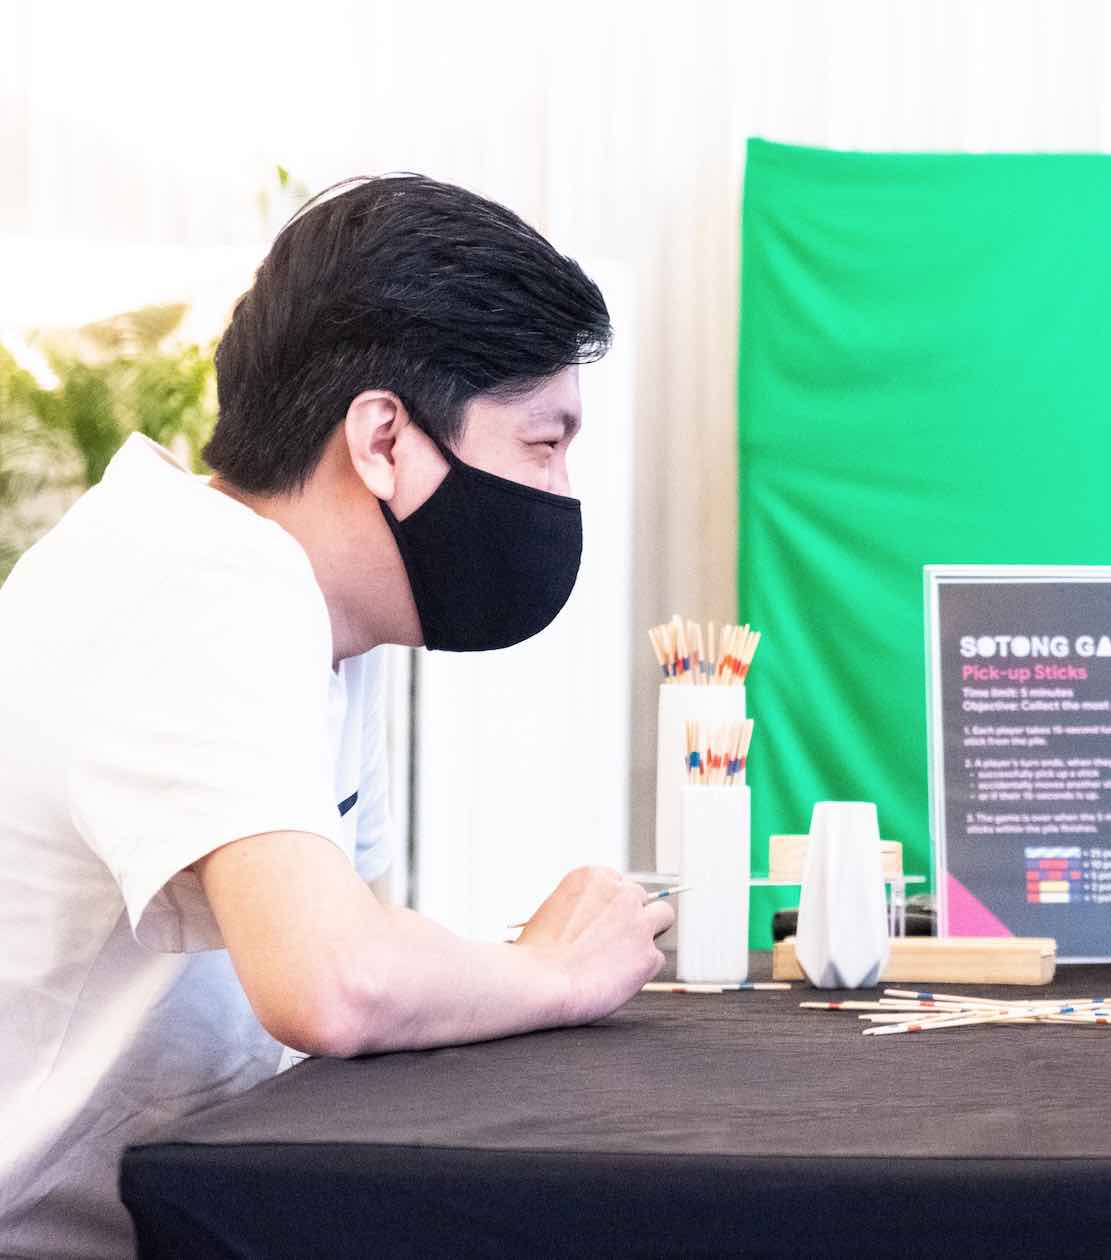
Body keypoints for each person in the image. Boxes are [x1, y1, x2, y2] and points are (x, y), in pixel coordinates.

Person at [0, 175, 675, 1256]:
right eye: (543, 446)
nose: (558, 494)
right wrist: (555, 970)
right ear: (383, 441)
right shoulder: (201, 584)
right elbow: (334, 984)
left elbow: (364, 944)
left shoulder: (314, 619)